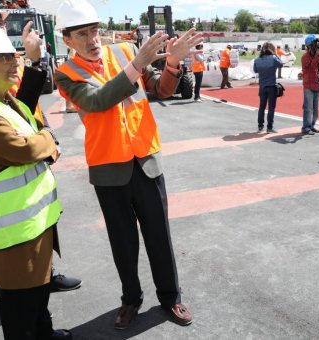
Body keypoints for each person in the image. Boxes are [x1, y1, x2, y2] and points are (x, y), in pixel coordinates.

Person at [54, 0, 202, 329]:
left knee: (159, 236)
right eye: (82, 34)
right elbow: (96, 101)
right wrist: (137, 64)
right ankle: (130, 299)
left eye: (94, 31)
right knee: (123, 242)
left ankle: (170, 297)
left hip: (146, 159)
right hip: (109, 169)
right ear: (67, 40)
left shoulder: (124, 51)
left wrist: (173, 65)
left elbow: (161, 91)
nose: (93, 40)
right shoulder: (65, 74)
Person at [0, 0, 82, 293]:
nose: (1, 29)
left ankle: (45, 276)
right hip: (9, 192)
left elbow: (21, 107)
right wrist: (43, 141)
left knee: (37, 249)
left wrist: (33, 64)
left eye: (1, 23)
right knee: (21, 279)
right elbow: (3, 135)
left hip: (29, 180)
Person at [253, 42, 283, 133]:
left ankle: (260, 126)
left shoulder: (257, 60)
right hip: (271, 85)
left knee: (261, 107)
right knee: (271, 107)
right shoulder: (273, 58)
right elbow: (281, 64)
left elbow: (255, 70)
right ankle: (269, 127)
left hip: (262, 86)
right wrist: (276, 55)